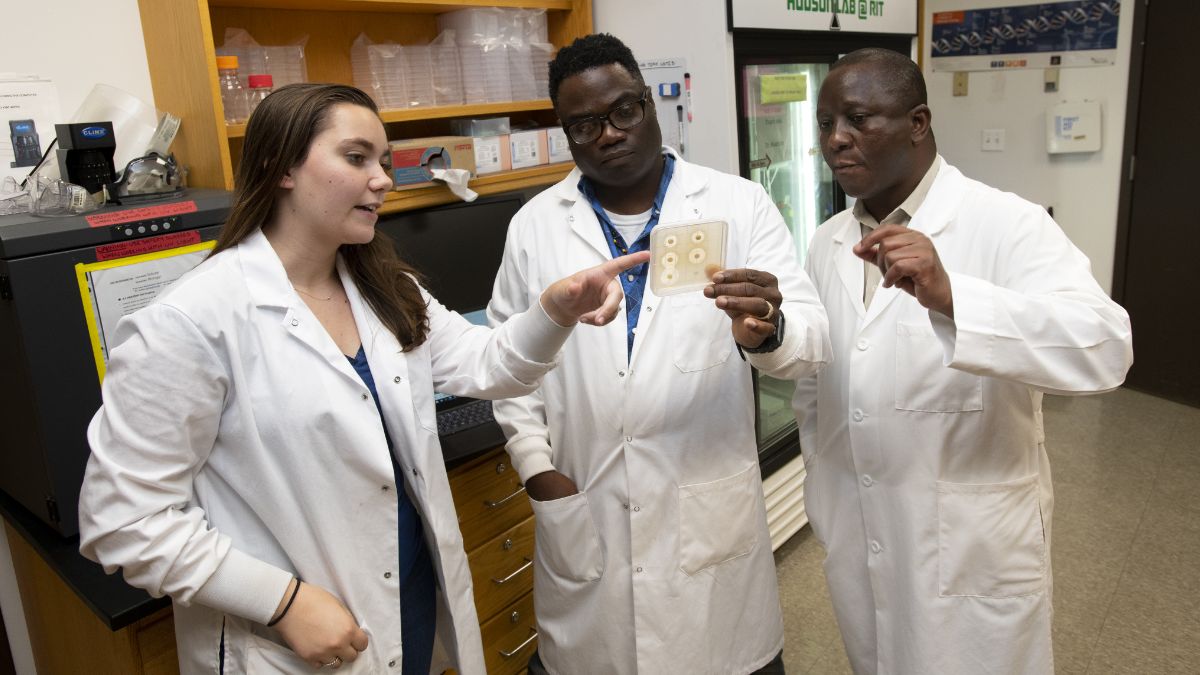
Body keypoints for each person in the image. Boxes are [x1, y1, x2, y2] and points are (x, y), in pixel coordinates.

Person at [77, 83, 648, 674]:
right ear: (280, 167)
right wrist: (281, 602)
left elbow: (490, 365)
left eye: (381, 160)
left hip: (408, 607)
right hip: (292, 639)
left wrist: (555, 310)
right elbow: (123, 521)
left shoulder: (383, 290)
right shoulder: (191, 321)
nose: (382, 178)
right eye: (356, 158)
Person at [487, 34, 831, 675]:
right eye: (584, 125)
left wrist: (769, 329)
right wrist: (536, 467)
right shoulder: (536, 225)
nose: (609, 135)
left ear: (648, 104)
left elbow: (813, 340)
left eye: (622, 111)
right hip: (585, 515)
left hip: (705, 521)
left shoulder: (738, 203)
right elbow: (508, 361)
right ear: (567, 135)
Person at [793, 48, 1134, 674]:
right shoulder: (827, 241)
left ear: (918, 123)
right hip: (860, 528)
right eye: (824, 123)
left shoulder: (1006, 224)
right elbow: (820, 385)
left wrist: (955, 298)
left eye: (858, 119)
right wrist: (821, 484)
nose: (835, 140)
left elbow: (1106, 347)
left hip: (972, 547)